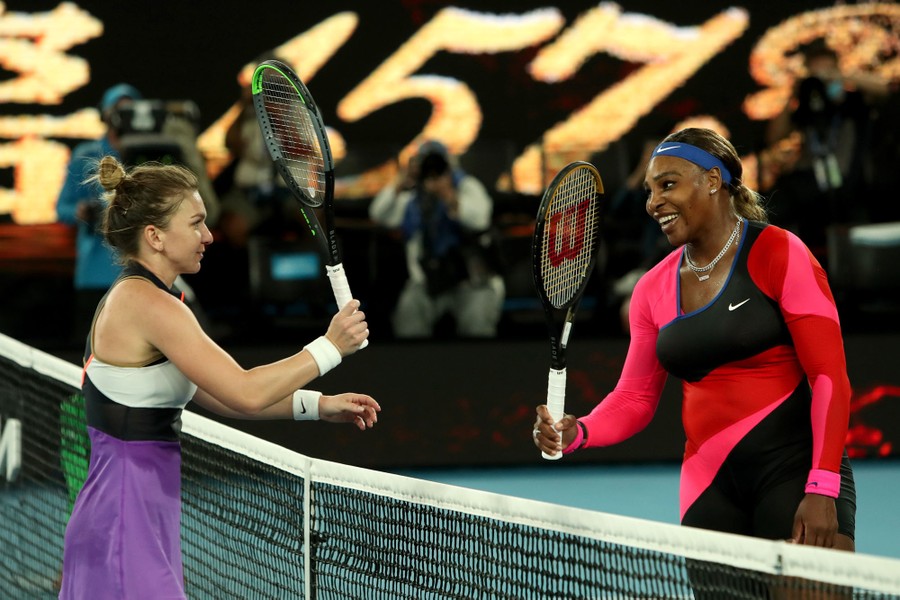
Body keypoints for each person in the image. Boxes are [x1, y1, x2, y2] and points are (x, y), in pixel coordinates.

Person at [533, 128, 856, 578]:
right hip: (708, 489)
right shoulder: (651, 289)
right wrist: (579, 431)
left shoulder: (781, 253)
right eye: (650, 191)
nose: (653, 203)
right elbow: (634, 398)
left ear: (712, 180)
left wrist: (822, 486)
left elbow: (828, 377)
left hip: (795, 471)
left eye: (668, 184)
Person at [59, 156, 378, 599]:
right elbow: (245, 391)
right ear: (154, 236)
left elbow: (219, 394)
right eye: (195, 224)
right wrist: (330, 347)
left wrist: (318, 405)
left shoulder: (154, 299)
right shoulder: (147, 304)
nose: (209, 235)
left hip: (138, 516)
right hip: (122, 521)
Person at [766, 40, 890, 257]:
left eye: (828, 71)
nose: (822, 79)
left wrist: (842, 77)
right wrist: (794, 94)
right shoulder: (807, 106)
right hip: (811, 187)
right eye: (816, 74)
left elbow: (885, 90)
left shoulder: (854, 101)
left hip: (851, 185)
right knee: (776, 206)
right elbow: (773, 137)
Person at [369, 140, 504, 338]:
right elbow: (378, 214)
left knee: (477, 324)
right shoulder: (412, 198)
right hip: (427, 281)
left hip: (470, 281)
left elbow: (480, 220)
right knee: (408, 318)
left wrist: (448, 194)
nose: (433, 173)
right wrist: (402, 181)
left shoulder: (466, 186)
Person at [56, 83, 143, 344]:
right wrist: (81, 211)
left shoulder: (147, 153)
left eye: (129, 111)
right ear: (105, 114)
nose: (123, 117)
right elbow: (62, 208)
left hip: (139, 271)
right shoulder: (86, 155)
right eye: (118, 111)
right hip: (95, 271)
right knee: (91, 348)